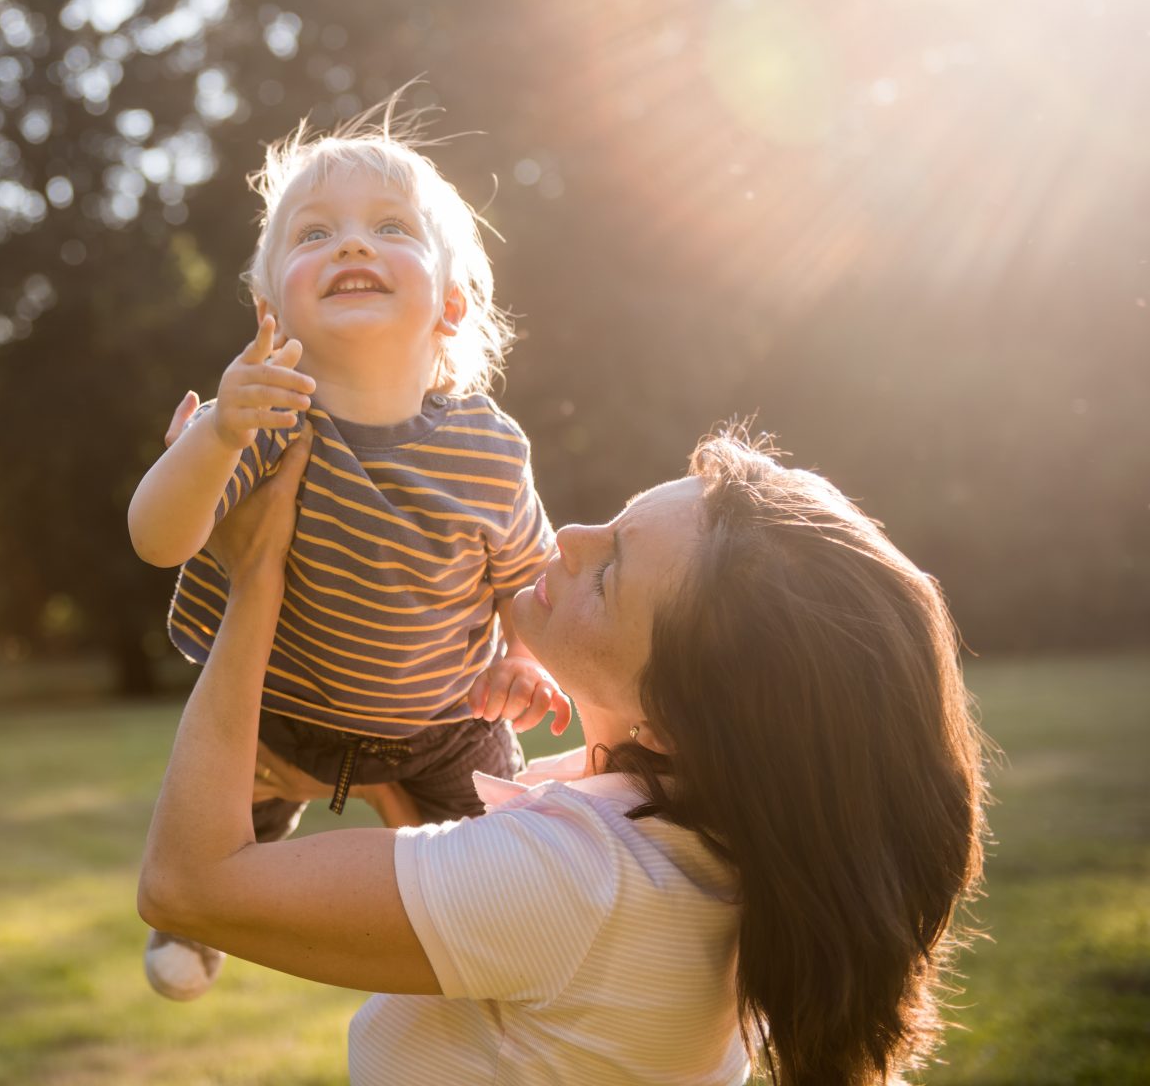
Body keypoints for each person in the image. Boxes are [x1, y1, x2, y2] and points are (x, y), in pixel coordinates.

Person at [139, 422, 988, 1085]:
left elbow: (188, 886)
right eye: (614, 521)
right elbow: (479, 902)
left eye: (608, 574)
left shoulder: (575, 881)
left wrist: (257, 577)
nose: (569, 535)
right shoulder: (707, 849)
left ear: (670, 722)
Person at [127, 105, 569, 999]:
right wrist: (210, 440)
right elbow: (158, 539)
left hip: (447, 726)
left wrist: (522, 659)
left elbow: (529, 578)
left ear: (451, 303)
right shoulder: (262, 415)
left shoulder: (489, 447)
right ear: (270, 306)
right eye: (315, 234)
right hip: (282, 715)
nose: (352, 246)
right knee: (219, 819)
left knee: (521, 867)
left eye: (390, 229)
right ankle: (191, 925)